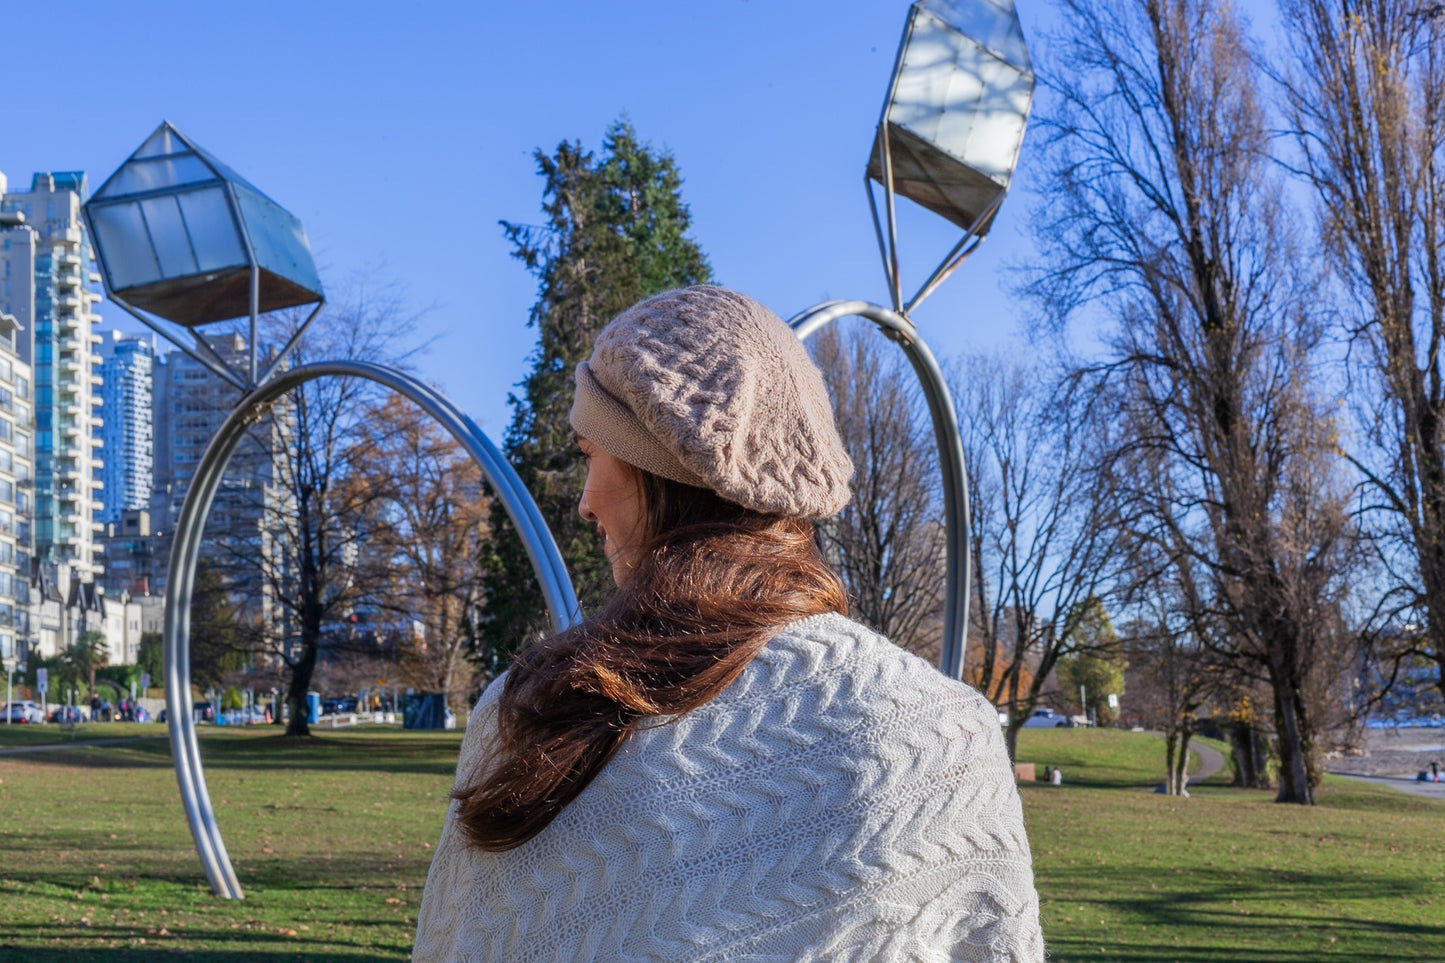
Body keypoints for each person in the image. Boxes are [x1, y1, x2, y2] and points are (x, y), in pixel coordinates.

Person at [414, 286, 1044, 962]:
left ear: (658, 469)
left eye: (590, 456)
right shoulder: (946, 732)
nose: (584, 503)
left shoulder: (533, 708)